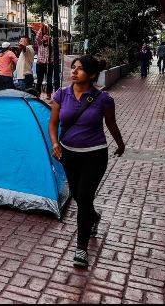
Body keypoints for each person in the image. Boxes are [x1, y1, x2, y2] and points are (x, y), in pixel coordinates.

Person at [48, 55, 126, 269]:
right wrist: (55, 143)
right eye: (73, 68)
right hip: (68, 155)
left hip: (95, 154)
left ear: (91, 75)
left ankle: (81, 248)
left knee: (84, 196)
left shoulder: (103, 99)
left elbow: (112, 124)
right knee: (77, 195)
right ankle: (94, 216)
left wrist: (120, 144)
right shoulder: (61, 95)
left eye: (80, 69)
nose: (74, 72)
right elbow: (53, 123)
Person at [36, 25, 54, 98]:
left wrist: (50, 30)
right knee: (39, 80)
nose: (45, 41)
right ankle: (38, 94)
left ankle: (49, 94)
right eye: (44, 40)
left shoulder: (51, 46)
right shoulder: (40, 44)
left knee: (49, 80)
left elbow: (53, 41)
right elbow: (37, 37)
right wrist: (41, 28)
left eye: (47, 40)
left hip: (49, 64)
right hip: (40, 64)